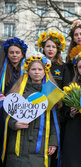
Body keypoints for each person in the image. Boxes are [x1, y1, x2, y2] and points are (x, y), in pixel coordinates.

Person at [3, 51, 59, 167]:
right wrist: (14, 124)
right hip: (17, 145)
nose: (37, 72)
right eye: (33, 69)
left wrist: (53, 142)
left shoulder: (50, 94)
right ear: (28, 71)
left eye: (40, 69)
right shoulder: (17, 92)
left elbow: (54, 121)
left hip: (41, 146)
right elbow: (7, 116)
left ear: (45, 72)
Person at [0, 37, 28, 167]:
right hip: (3, 112)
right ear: (7, 54)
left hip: (21, 112)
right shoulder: (2, 70)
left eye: (17, 52)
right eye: (11, 52)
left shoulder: (27, 70)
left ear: (22, 54)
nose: (14, 55)